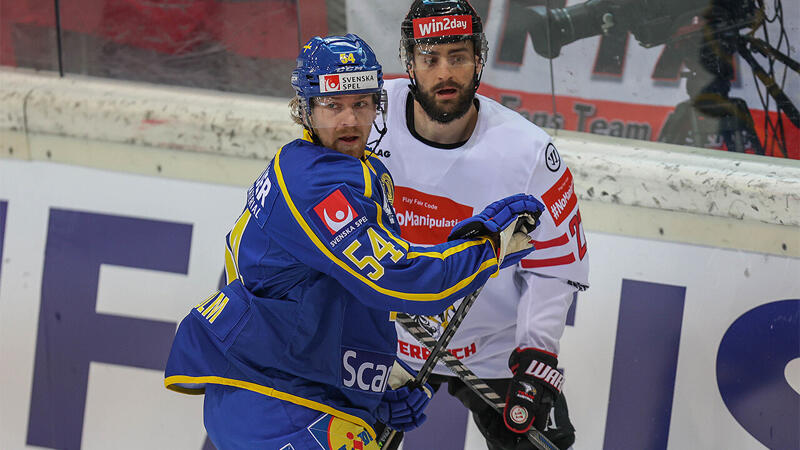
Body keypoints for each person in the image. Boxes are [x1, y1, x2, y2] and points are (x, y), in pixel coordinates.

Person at [163, 33, 546, 449]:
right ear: (304, 109)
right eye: (333, 105)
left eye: (361, 103)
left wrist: (370, 387)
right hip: (273, 403)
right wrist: (485, 247)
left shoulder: (357, 171)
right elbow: (399, 282)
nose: (349, 120)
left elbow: (333, 294)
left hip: (297, 388)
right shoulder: (314, 183)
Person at [369, 1, 591, 449]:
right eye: (430, 59)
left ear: (479, 59)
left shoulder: (527, 152)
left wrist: (536, 355)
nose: (445, 73)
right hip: (384, 342)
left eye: (458, 56)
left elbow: (556, 262)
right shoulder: (368, 117)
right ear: (409, 62)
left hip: (494, 349)